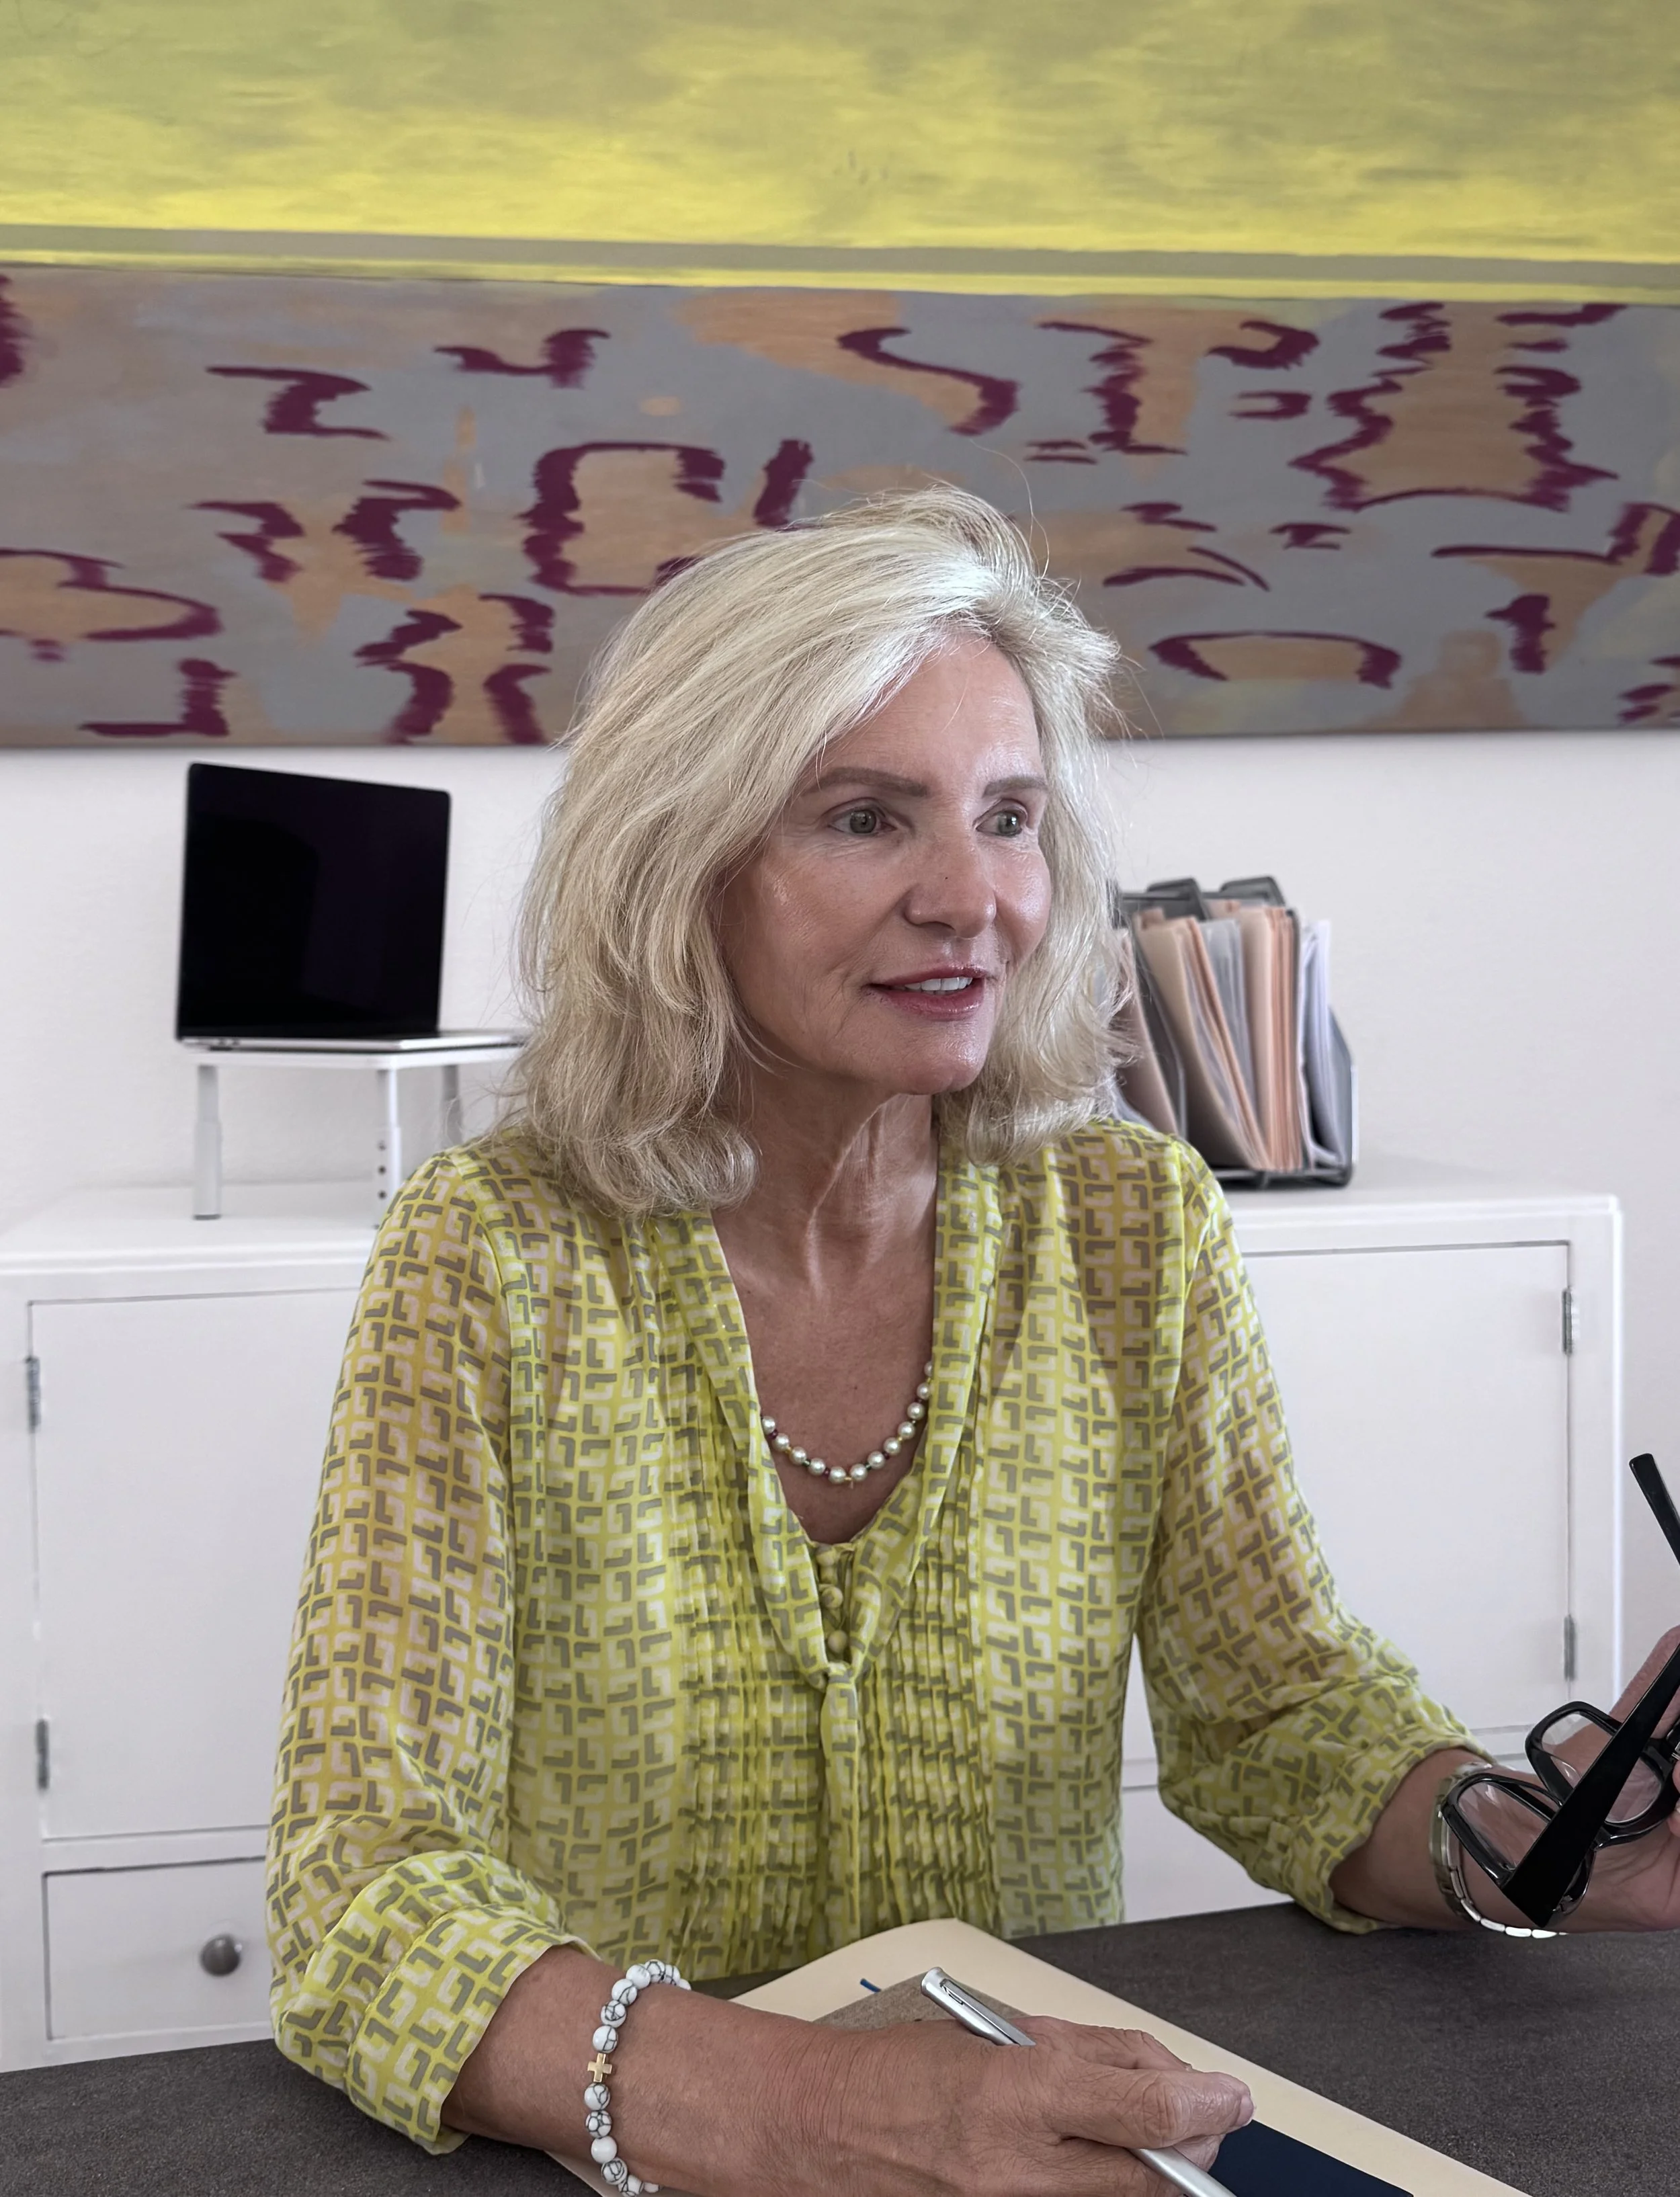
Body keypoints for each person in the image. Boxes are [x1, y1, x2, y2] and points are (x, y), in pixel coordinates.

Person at [267, 488, 1680, 2197]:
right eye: (867, 818)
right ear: (681, 864)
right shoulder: (492, 1251)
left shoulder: (1126, 1221)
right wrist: (819, 2110)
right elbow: (362, 1889)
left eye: (1008, 817)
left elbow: (1280, 1712)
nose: (970, 897)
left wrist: (1533, 1847)